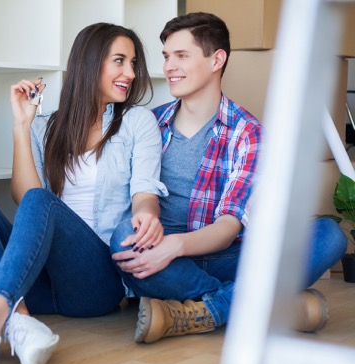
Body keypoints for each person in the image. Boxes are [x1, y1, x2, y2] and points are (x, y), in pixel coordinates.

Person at [0, 22, 168, 364]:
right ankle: (20, 320)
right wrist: (21, 125)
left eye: (133, 63)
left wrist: (147, 215)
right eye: (120, 61)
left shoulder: (137, 122)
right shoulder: (45, 127)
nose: (130, 73)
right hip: (36, 279)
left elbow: (144, 192)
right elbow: (25, 194)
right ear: (90, 63)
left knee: (40, 201)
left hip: (95, 283)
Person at [110, 12, 347, 344]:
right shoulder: (149, 123)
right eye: (166, 56)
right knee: (123, 236)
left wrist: (175, 247)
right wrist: (163, 246)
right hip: (165, 258)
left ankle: (204, 311)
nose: (169, 67)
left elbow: (227, 229)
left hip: (229, 257)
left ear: (216, 59)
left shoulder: (248, 133)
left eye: (181, 56)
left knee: (328, 236)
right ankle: (269, 306)